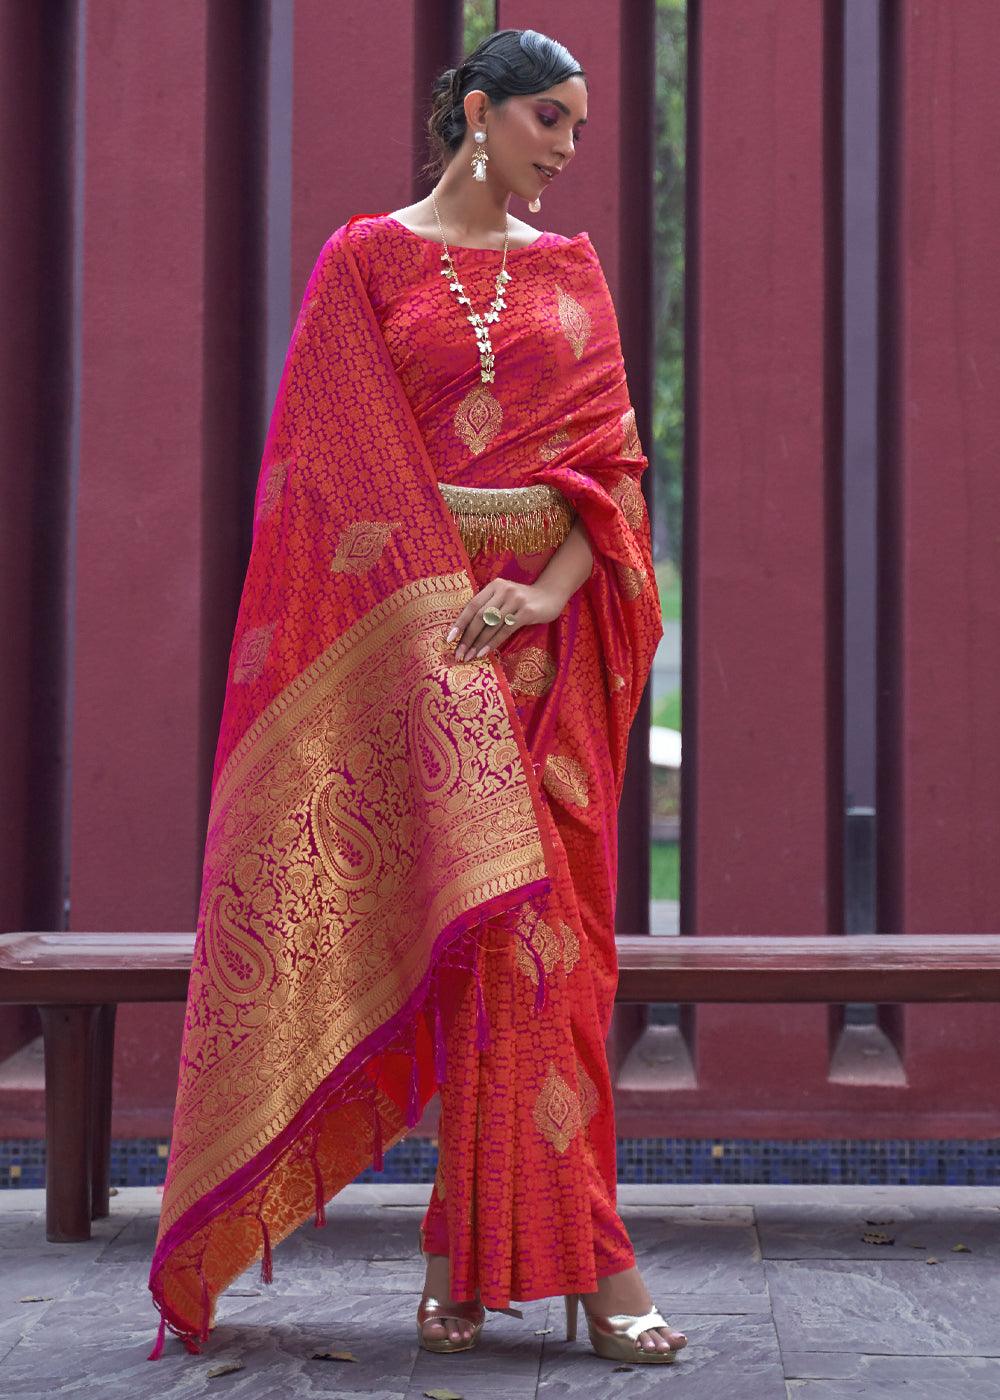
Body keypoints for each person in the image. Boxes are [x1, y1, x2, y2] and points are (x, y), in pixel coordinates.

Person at [146, 26, 686, 1368]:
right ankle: (541, 1261)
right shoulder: (365, 260)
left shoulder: (572, 270)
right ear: (478, 113)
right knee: (477, 949)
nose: (569, 146)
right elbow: (328, 468)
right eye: (550, 118)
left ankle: (518, 1257)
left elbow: (616, 477)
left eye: (579, 124)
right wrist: (441, 605)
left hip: (545, 659)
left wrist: (546, 598)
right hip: (421, 646)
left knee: (550, 957)